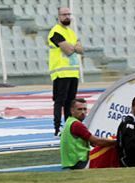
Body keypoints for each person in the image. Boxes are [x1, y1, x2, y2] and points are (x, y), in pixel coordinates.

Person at [47, 7, 83, 136]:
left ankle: (68, 126)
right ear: (59, 16)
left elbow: (80, 49)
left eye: (68, 14)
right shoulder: (55, 32)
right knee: (59, 101)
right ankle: (57, 127)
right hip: (61, 73)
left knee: (70, 102)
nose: (67, 17)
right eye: (64, 14)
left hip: (73, 72)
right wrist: (73, 46)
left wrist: (72, 46)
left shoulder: (71, 32)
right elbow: (69, 50)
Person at [59, 97, 115, 169]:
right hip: (79, 162)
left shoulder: (69, 121)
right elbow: (97, 141)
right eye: (79, 109)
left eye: (85, 109)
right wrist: (117, 141)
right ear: (72, 110)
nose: (83, 112)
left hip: (71, 162)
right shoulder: (77, 124)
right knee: (110, 150)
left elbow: (92, 142)